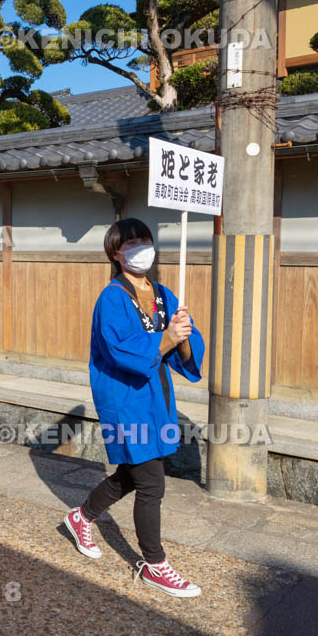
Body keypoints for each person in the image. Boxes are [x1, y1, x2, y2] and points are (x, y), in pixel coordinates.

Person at [62, 218, 204, 598]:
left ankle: (81, 517)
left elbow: (185, 352)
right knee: (151, 481)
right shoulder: (111, 297)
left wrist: (183, 336)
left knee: (132, 471)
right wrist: (166, 340)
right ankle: (155, 564)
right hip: (124, 396)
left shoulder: (163, 294)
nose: (143, 247)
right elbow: (121, 349)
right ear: (116, 253)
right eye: (133, 242)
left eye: (146, 240)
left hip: (156, 394)